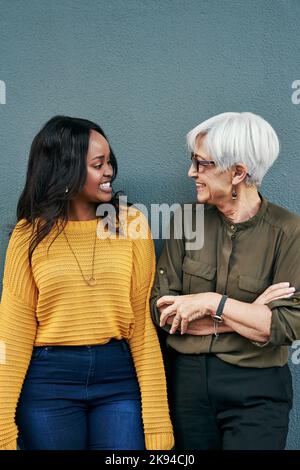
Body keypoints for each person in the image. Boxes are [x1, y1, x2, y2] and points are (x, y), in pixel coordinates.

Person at [0, 115, 174, 450]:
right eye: (98, 164)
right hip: (49, 381)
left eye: (109, 162)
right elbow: (13, 334)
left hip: (118, 377)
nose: (109, 171)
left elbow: (142, 328)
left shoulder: (131, 224)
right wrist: (3, 424)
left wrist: (157, 422)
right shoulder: (28, 235)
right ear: (65, 169)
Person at [151, 112, 300, 450]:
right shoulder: (185, 221)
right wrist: (248, 312)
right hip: (187, 385)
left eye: (201, 164)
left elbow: (286, 324)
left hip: (258, 389)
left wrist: (210, 303)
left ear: (238, 172)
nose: (192, 172)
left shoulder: (289, 231)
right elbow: (163, 313)